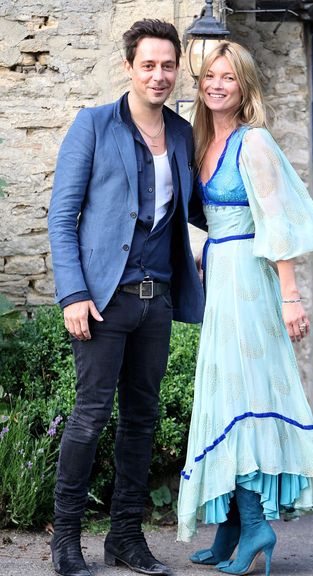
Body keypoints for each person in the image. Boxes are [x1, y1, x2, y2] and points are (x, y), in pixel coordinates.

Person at [48, 19, 205, 576]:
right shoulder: (93, 126)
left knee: (141, 419)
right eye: (148, 65)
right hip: (102, 300)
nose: (158, 76)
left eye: (167, 66)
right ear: (129, 68)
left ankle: (125, 537)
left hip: (156, 300)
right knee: (89, 417)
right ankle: (65, 540)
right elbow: (62, 217)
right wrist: (72, 293)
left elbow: (201, 212)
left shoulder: (185, 135)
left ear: (175, 69)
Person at [177, 41, 313, 576]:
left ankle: (255, 524)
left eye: (229, 77)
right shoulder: (202, 140)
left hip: (252, 280)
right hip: (221, 277)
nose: (217, 85)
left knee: (240, 395)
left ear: (245, 86)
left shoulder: (255, 142)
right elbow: (209, 222)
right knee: (223, 393)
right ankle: (230, 525)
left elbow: (277, 222)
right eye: (209, 77)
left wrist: (291, 296)